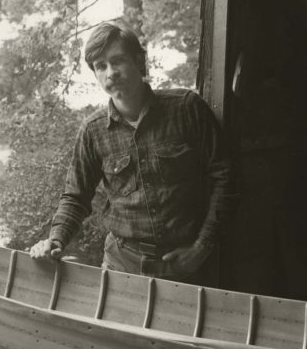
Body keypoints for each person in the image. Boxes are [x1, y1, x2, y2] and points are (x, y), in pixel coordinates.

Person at [29, 21, 235, 284]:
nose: (110, 73)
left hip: (189, 266)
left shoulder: (186, 109)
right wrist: (55, 240)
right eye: (100, 66)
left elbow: (225, 178)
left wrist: (201, 248)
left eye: (117, 61)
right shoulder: (93, 131)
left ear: (139, 61)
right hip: (121, 265)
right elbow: (75, 197)